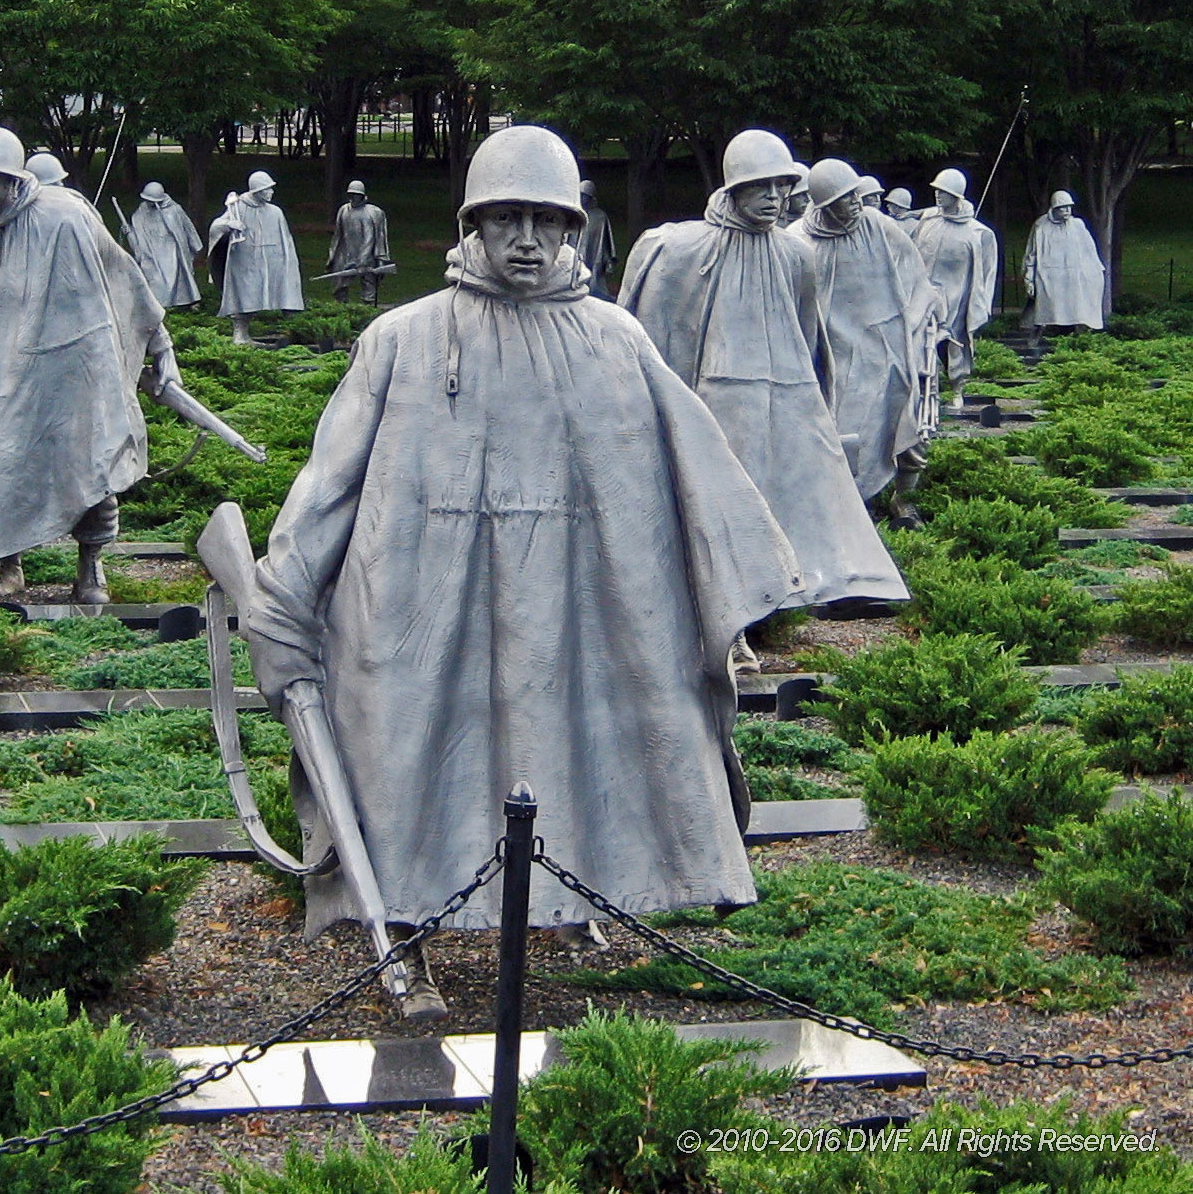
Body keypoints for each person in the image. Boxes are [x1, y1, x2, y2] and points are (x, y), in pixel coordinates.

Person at [249, 125, 802, 1021]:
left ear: (573, 228)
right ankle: (407, 938)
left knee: (581, 746)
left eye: (546, 221)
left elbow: (699, 478)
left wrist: (720, 612)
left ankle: (574, 897)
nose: (526, 242)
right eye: (506, 219)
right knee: (409, 759)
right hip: (423, 601)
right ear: (472, 224)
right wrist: (282, 601)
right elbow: (330, 484)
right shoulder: (402, 339)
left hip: (577, 599)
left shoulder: (614, 339)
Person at [619, 129, 908, 666]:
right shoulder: (686, 249)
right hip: (720, 400)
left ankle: (791, 600)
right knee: (721, 513)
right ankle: (726, 629)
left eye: (782, 184)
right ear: (734, 189)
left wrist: (817, 404)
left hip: (787, 400)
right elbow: (658, 335)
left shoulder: (796, 254)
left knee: (795, 508)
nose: (775, 196)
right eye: (761, 186)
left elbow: (809, 334)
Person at [0, 126, 178, 604]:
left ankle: (91, 567)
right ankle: (10, 567)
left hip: (70, 371)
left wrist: (162, 347)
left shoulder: (65, 216)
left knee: (89, 466)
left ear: (12, 177)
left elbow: (122, 277)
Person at [791, 158, 943, 522]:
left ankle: (903, 499)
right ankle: (854, 505)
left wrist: (919, 319)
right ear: (826, 205)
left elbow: (916, 279)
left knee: (907, 427)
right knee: (847, 433)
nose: (857, 203)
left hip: (890, 349)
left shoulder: (879, 225)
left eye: (856, 194)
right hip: (838, 358)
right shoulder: (799, 242)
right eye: (846, 198)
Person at [913, 168, 999, 409]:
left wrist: (979, 302)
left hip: (956, 296)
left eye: (944, 192)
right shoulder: (928, 221)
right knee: (921, 340)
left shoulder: (978, 232)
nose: (938, 195)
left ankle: (957, 389)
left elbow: (987, 272)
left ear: (957, 195)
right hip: (926, 294)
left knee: (954, 342)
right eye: (937, 190)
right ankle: (926, 389)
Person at [208, 170, 304, 344]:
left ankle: (294, 332)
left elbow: (285, 239)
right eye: (268, 189)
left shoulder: (275, 212)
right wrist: (229, 224)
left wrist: (286, 261)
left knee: (269, 292)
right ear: (257, 191)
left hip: (270, 259)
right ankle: (240, 333)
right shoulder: (238, 207)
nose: (272, 192)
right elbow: (216, 226)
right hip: (244, 260)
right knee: (243, 295)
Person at [1022, 190, 1105, 333]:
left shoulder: (1077, 225)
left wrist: (1095, 273)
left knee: (1076, 312)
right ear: (1055, 208)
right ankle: (1037, 336)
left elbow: (1089, 252)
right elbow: (1032, 255)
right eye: (1063, 207)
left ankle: (1077, 338)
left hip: (1073, 278)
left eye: (1069, 207)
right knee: (1046, 314)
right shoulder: (1041, 226)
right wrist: (1029, 279)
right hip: (1049, 278)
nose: (1067, 210)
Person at [126, 182, 204, 309]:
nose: (148, 203)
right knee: (154, 275)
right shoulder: (142, 209)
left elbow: (186, 228)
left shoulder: (174, 210)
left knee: (174, 275)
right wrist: (130, 232)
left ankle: (182, 300)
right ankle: (158, 302)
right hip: (152, 249)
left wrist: (192, 245)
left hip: (171, 248)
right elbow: (138, 227)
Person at [325, 180, 391, 304]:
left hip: (367, 257)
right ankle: (341, 310)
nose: (353, 197)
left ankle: (367, 312)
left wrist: (373, 261)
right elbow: (338, 235)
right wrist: (333, 257)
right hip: (346, 255)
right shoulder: (344, 210)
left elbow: (374, 238)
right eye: (351, 194)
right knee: (339, 287)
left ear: (361, 195)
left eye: (356, 194)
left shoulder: (372, 213)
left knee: (369, 289)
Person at [575, 178, 617, 298]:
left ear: (591, 197)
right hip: (576, 253)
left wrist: (609, 260)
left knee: (594, 282)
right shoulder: (576, 214)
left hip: (595, 254)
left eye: (585, 196)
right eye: (580, 195)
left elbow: (606, 239)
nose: (582, 199)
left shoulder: (600, 216)